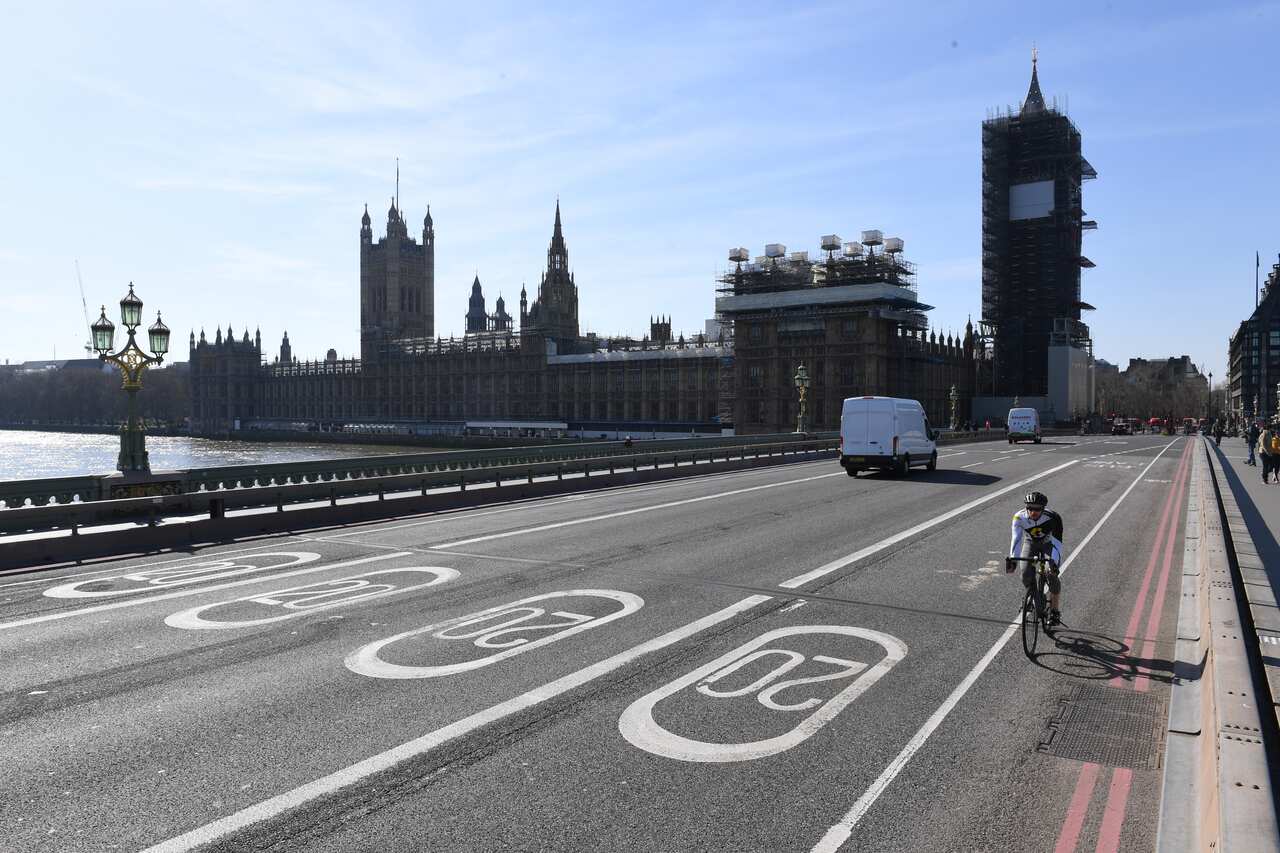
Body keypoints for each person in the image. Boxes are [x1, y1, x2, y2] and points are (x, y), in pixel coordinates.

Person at [1006, 491, 1064, 626]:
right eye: (1030, 508)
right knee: (1025, 571)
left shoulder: (1053, 517)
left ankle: (1055, 610)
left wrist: (1053, 562)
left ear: (1043, 508)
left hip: (1049, 544)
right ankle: (1031, 596)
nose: (1033, 511)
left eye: (1037, 509)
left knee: (1052, 574)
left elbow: (1057, 543)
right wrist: (1013, 559)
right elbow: (1016, 538)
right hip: (1030, 543)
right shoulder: (1019, 517)